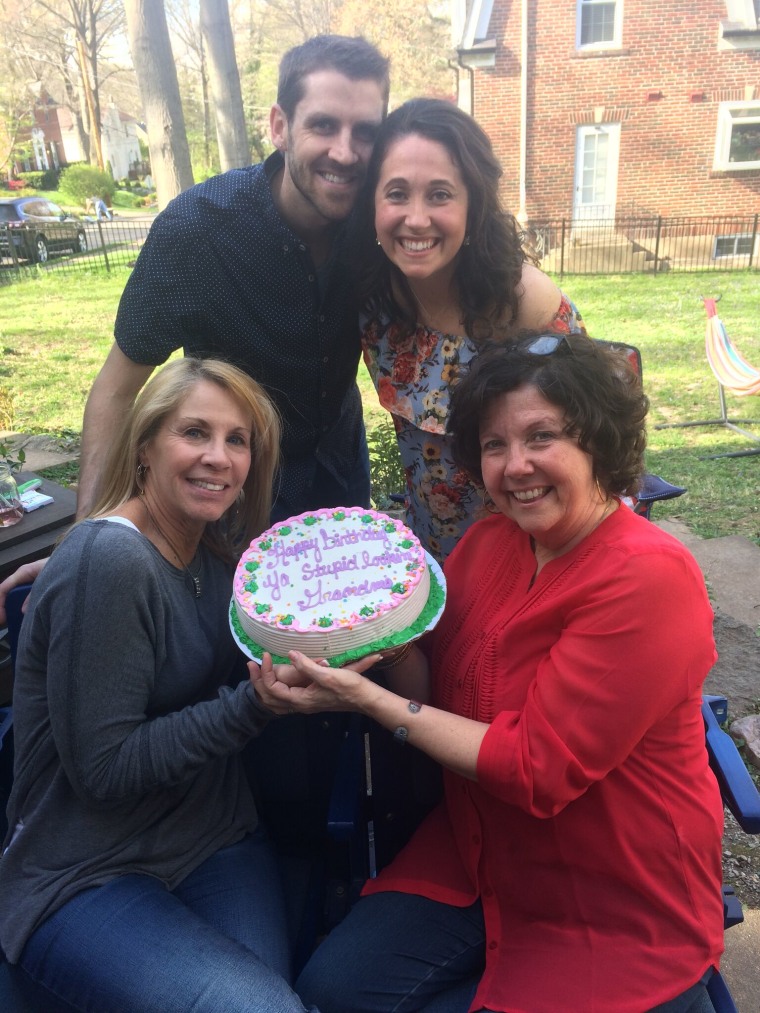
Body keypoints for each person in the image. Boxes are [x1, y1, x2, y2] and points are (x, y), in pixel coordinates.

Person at [252, 333, 724, 1013]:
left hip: (613, 890)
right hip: (480, 852)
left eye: (541, 436)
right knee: (331, 990)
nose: (515, 465)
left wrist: (367, 702)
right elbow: (436, 694)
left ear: (597, 440)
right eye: (495, 444)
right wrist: (386, 651)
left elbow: (536, 768)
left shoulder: (647, 576)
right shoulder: (487, 545)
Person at [0, 33, 389, 627]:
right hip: (233, 479)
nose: (346, 151)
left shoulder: (379, 222)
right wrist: (85, 536)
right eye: (324, 125)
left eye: (365, 131)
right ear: (280, 126)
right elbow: (118, 383)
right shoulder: (198, 231)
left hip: (338, 460)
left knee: (344, 637)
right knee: (239, 658)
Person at [0, 358, 337, 1012]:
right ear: (146, 445)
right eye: (194, 433)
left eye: (236, 439)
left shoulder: (217, 549)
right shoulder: (111, 561)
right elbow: (103, 768)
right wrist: (253, 705)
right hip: (85, 870)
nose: (218, 456)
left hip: (213, 839)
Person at [353, 98, 586, 561]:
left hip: (529, 554)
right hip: (432, 553)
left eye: (440, 194)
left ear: (473, 203)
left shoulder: (523, 302)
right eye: (397, 193)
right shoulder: (374, 300)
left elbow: (592, 437)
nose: (416, 218)